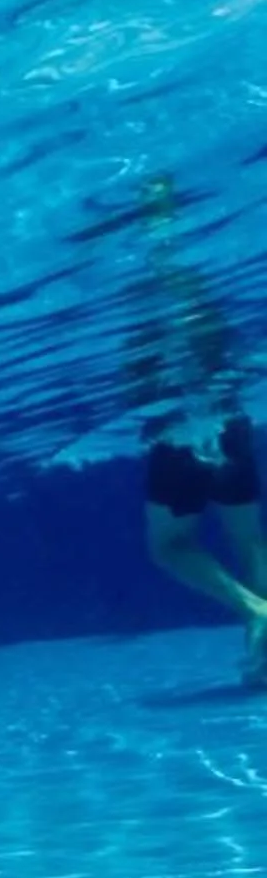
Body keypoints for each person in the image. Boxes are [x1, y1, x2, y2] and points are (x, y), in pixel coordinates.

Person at [122, 175, 267, 685]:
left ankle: (257, 611)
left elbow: (140, 383)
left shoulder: (149, 303)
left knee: (168, 546)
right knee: (249, 540)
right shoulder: (207, 313)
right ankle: (264, 652)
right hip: (231, 424)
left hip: (180, 435)